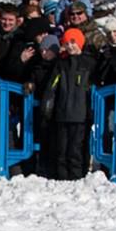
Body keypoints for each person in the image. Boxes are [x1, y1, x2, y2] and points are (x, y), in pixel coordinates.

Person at [42, 28, 95, 180]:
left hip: (80, 114)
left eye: (73, 42)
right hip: (62, 112)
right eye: (67, 43)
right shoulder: (61, 64)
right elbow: (52, 87)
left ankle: (76, 176)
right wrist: (47, 108)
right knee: (62, 149)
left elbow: (94, 84)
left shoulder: (88, 63)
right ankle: (62, 176)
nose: (70, 46)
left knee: (75, 149)